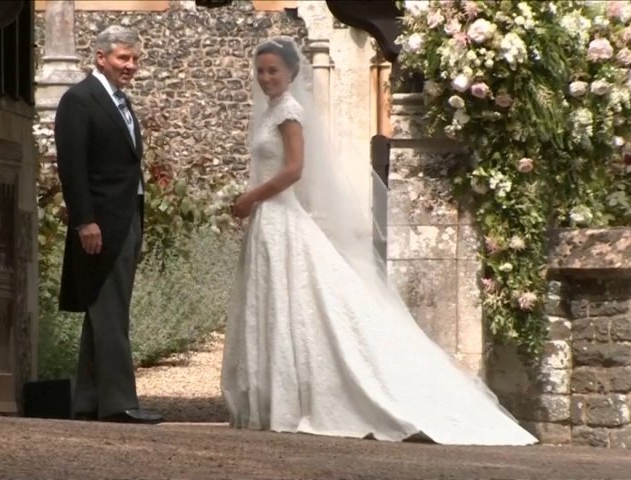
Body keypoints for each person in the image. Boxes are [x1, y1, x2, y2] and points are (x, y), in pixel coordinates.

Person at [219, 37, 537, 446]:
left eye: (273, 71)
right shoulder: (268, 113)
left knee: (302, 300)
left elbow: (295, 170)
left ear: (292, 74)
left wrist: (250, 197)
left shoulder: (290, 114)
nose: (265, 78)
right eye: (261, 71)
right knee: (275, 301)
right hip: (268, 220)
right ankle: (272, 401)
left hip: (280, 214)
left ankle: (318, 396)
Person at [54, 25, 162, 424]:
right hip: (101, 222)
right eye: (123, 58)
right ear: (101, 57)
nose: (131, 66)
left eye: (135, 59)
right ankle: (119, 403)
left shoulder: (120, 101)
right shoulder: (80, 100)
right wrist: (85, 220)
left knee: (105, 308)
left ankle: (88, 400)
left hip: (127, 216)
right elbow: (72, 165)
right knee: (111, 311)